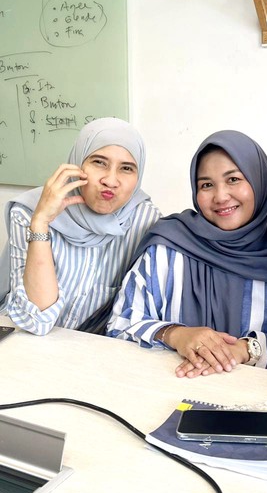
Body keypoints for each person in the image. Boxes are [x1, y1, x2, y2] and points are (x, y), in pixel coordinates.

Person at [107, 129, 267, 376]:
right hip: (167, 389)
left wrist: (248, 349)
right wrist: (175, 334)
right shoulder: (169, 246)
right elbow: (119, 324)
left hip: (263, 398)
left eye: (233, 179)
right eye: (206, 185)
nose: (221, 196)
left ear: (260, 181)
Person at [0, 117, 161, 335]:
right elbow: (36, 321)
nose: (110, 180)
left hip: (88, 348)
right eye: (99, 162)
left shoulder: (146, 222)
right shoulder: (30, 212)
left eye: (126, 168)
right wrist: (41, 223)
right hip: (22, 337)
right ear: (77, 163)